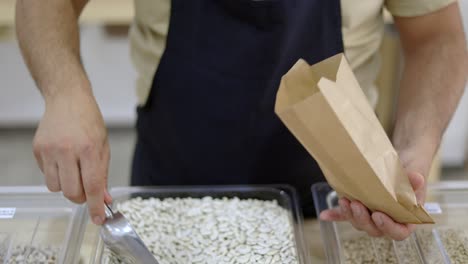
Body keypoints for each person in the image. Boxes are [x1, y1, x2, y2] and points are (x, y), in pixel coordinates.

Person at [16, 0, 466, 242]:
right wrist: (65, 92)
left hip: (340, 208)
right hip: (171, 199)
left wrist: (412, 150)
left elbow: (438, 38)